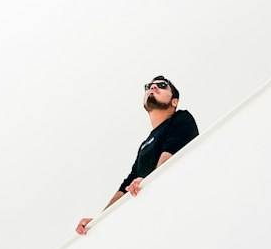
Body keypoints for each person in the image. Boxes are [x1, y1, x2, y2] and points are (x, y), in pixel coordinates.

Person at [76, 76, 199, 235]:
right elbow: (128, 183)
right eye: (149, 86)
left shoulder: (181, 118)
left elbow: (170, 160)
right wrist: (98, 221)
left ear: (174, 101)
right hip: (150, 217)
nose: (153, 88)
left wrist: (148, 181)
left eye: (161, 86)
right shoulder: (145, 145)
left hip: (178, 205)